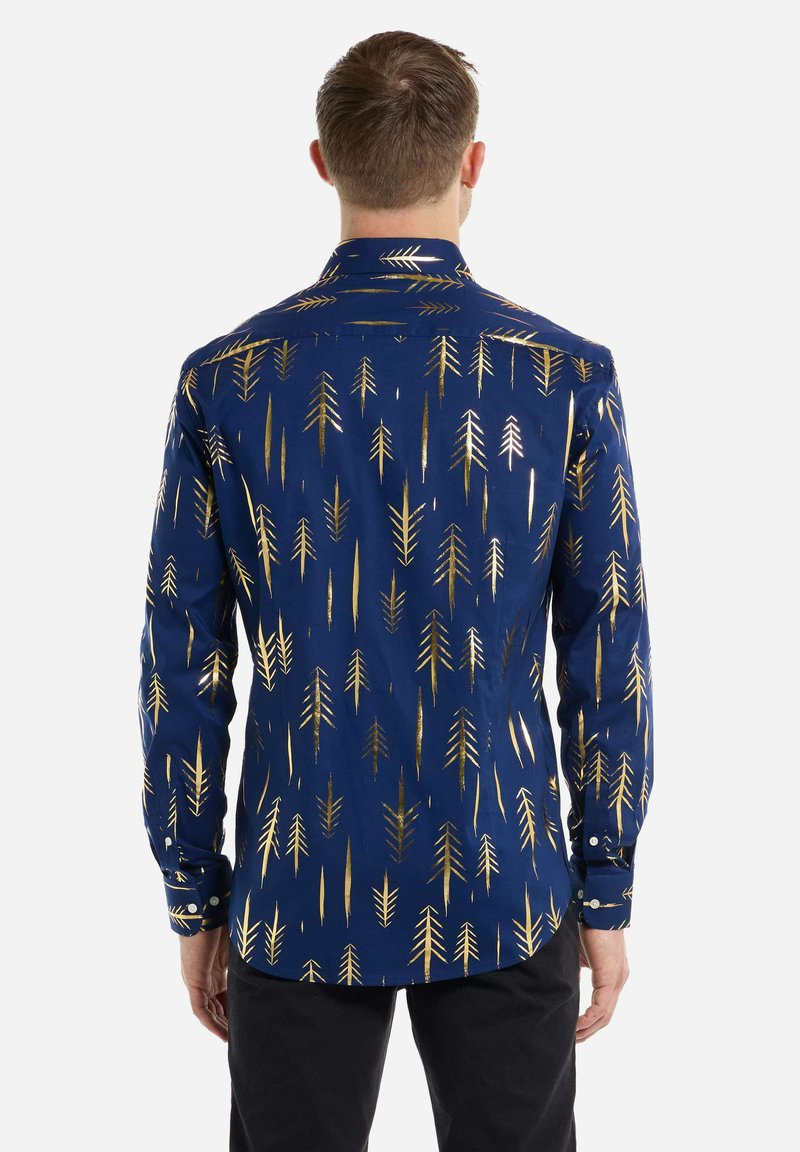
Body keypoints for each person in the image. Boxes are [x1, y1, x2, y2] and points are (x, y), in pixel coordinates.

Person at [137, 28, 654, 1152]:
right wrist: (605, 887)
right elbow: (607, 649)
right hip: (505, 871)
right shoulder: (562, 378)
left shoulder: (227, 382)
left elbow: (182, 662)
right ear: (473, 163)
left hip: (297, 880)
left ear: (322, 161)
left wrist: (195, 894)